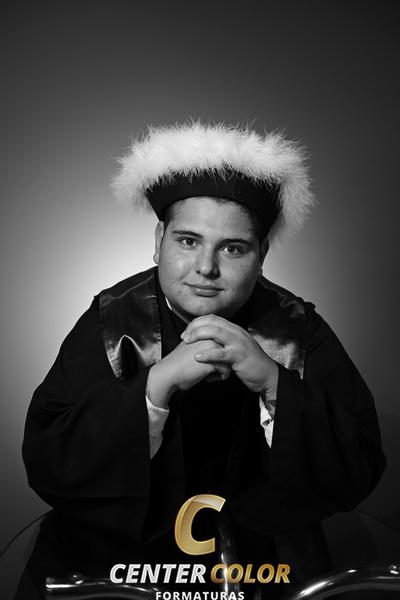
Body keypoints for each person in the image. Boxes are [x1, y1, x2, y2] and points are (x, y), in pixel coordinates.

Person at [20, 121, 386, 599]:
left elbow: (358, 468)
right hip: (126, 566)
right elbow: (48, 464)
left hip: (264, 566)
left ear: (261, 254)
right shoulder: (113, 321)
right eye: (188, 241)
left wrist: (273, 381)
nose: (206, 268)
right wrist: (155, 387)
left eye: (232, 248)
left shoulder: (297, 328)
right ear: (159, 239)